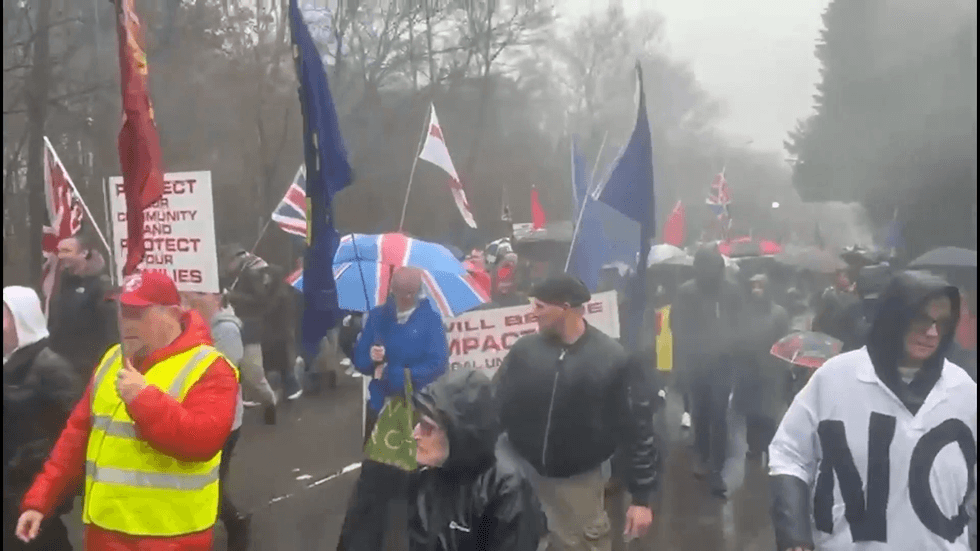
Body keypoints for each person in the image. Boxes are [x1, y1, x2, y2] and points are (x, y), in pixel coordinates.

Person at [15, 272, 240, 551]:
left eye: (138, 313)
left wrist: (144, 399)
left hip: (171, 536)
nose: (126, 322)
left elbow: (202, 441)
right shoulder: (113, 359)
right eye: (122, 311)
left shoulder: (210, 368)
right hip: (104, 530)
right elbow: (75, 437)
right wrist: (39, 502)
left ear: (172, 313)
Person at [769, 271, 977, 551]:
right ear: (894, 317)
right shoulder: (836, 379)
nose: (931, 333)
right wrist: (795, 534)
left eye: (941, 323)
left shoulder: (962, 391)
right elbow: (789, 453)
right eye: (921, 319)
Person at [494, 274, 659, 551]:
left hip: (578, 486)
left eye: (540, 306)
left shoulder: (612, 359)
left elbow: (637, 431)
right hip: (522, 476)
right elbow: (495, 404)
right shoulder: (524, 351)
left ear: (566, 308)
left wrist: (641, 499)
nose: (532, 313)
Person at [338, 267, 449, 551]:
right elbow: (362, 361)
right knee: (374, 481)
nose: (404, 299)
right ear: (391, 290)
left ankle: (412, 536)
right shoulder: (377, 317)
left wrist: (392, 373)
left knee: (412, 480)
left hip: (415, 410)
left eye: (410, 294)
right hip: (379, 409)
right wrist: (369, 357)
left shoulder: (430, 321)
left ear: (419, 291)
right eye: (399, 294)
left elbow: (437, 365)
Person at [407, 367, 544, 550]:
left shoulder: (508, 487)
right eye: (418, 422)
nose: (415, 434)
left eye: (427, 426)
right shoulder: (430, 469)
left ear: (457, 434)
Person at [4, 287, 81, 551]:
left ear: (21, 320)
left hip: (29, 489)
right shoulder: (9, 363)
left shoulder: (52, 368)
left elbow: (69, 433)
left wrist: (26, 466)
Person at [671, 246, 744, 497]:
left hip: (723, 363)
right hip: (696, 363)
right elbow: (677, 326)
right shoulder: (686, 292)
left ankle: (717, 468)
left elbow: (738, 321)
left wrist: (731, 345)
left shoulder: (731, 291)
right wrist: (689, 353)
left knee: (720, 414)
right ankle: (701, 455)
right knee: (700, 413)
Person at [182, 291, 251, 551]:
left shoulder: (226, 330)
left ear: (217, 297)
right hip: (194, 415)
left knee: (213, 484)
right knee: (202, 483)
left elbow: (226, 374)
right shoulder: (188, 323)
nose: (193, 298)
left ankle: (237, 525)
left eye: (201, 293)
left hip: (225, 422)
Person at [731, 274, 790, 460]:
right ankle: (754, 447)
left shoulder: (778, 313)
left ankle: (771, 448)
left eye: (760, 286)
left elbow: (784, 341)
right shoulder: (745, 312)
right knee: (751, 413)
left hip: (771, 370)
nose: (756, 290)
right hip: (749, 369)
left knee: (769, 413)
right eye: (753, 286)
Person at [221, 245, 278, 424]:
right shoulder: (230, 278)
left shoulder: (252, 276)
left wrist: (232, 296)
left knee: (254, 372)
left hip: (249, 329)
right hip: (231, 329)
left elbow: (260, 301)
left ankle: (270, 402)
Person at [47, 234, 117, 378]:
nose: (61, 256)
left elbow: (109, 329)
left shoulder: (101, 284)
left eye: (67, 251)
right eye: (59, 251)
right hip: (61, 364)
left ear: (84, 253)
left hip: (88, 367)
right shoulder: (64, 283)